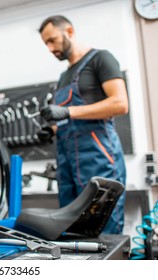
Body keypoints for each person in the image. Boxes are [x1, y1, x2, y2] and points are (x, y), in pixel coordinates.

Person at [37, 15, 128, 234]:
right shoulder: (63, 76)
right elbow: (71, 121)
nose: (50, 48)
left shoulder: (101, 59)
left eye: (52, 40)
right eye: (46, 43)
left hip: (98, 157)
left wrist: (68, 111)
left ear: (68, 31)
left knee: (105, 228)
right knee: (71, 228)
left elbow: (120, 103)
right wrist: (52, 130)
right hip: (67, 163)